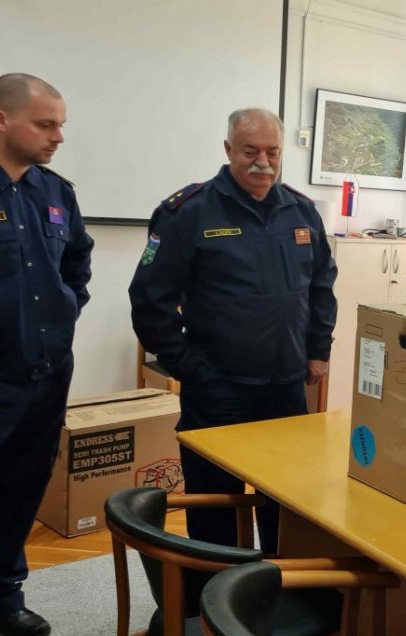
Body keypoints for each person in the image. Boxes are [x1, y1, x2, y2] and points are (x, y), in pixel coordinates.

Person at [129, 108, 337, 554]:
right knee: (215, 507)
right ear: (228, 150)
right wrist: (188, 367)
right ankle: (216, 585)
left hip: (285, 387)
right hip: (217, 387)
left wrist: (318, 350)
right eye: (250, 151)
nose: (263, 162)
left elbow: (322, 286)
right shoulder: (188, 211)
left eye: (272, 152)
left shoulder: (302, 212)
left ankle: (278, 582)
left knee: (285, 499)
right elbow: (149, 299)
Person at [0, 73, 93, 636]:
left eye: (61, 125)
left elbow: (77, 264)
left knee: (21, 488)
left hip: (46, 371)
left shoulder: (55, 192)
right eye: (45, 124)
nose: (58, 136)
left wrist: (68, 308)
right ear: (0, 119)